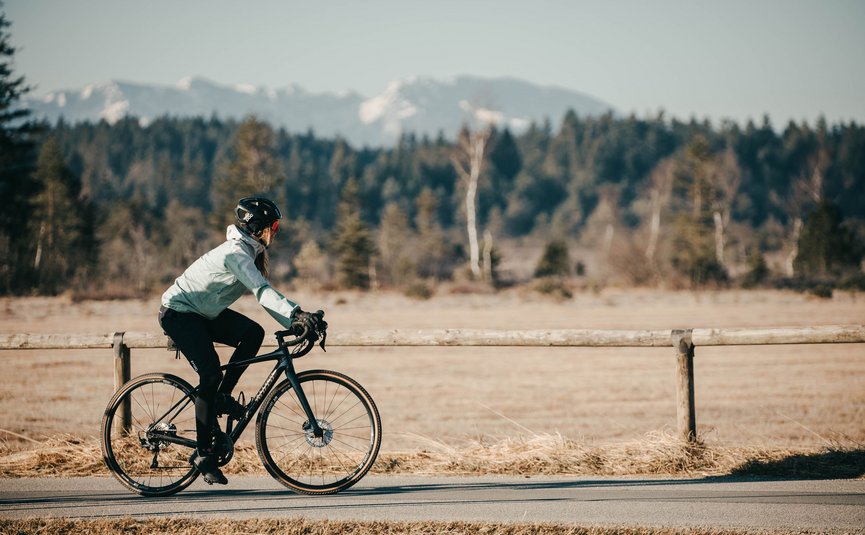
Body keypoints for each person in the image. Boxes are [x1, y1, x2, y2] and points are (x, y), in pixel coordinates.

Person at [158, 196, 324, 485]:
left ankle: (221, 396)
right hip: (179, 313)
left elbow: (264, 293)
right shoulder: (236, 253)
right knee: (209, 373)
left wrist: (297, 320)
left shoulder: (250, 250)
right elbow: (262, 292)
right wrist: (297, 315)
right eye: (274, 226)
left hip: (203, 312)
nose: (277, 231)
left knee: (253, 334)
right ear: (258, 227)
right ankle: (203, 452)